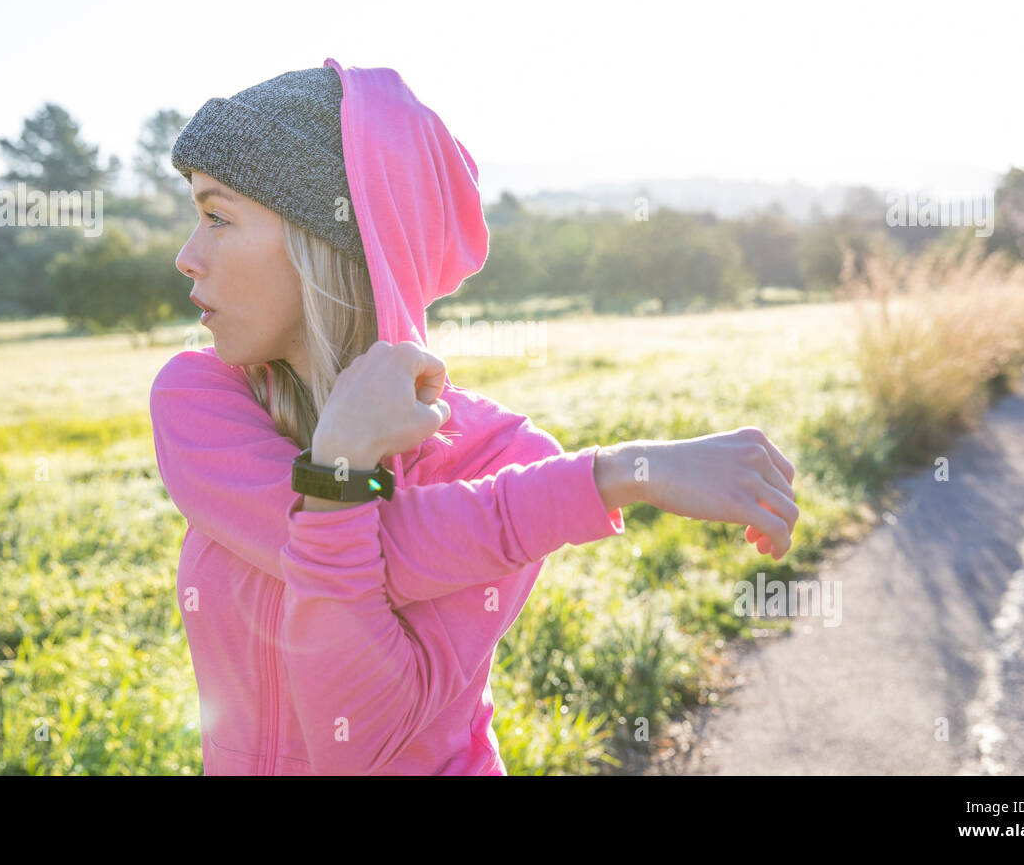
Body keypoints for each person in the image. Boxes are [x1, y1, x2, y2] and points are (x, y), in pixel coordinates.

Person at [149, 58, 798, 775]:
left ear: (328, 242)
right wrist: (608, 479)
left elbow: (359, 738)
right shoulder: (200, 400)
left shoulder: (503, 459)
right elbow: (376, 553)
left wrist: (340, 477)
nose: (187, 256)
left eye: (217, 216)